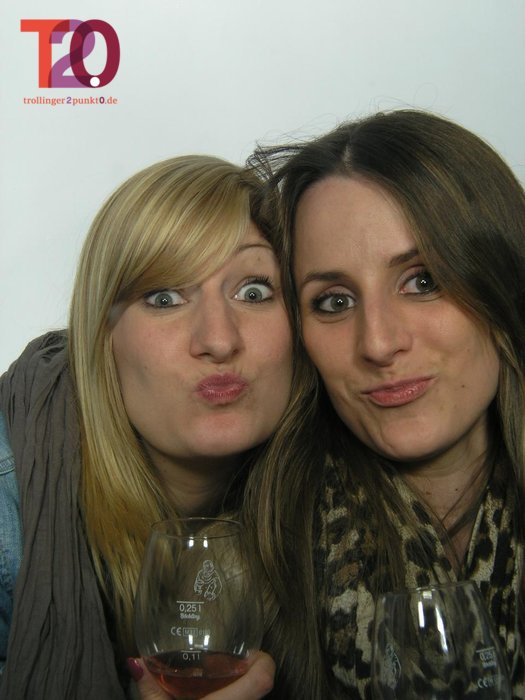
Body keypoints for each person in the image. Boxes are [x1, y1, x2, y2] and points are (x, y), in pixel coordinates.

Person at [244, 109, 525, 698]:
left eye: (424, 281)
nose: (377, 343)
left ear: (502, 283)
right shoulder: (252, 557)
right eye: (334, 301)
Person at [0, 154, 295, 699]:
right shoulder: (9, 501)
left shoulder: (341, 503)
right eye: (164, 298)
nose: (218, 339)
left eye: (253, 292)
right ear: (101, 337)